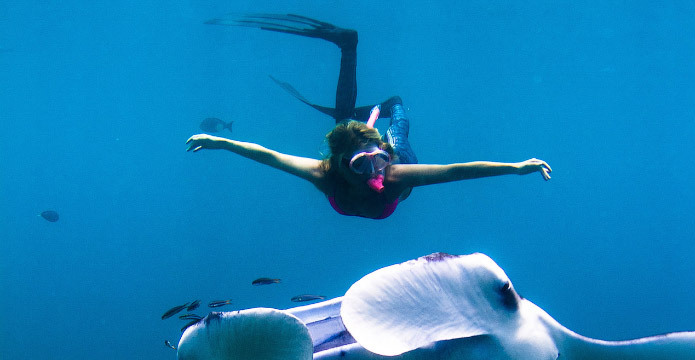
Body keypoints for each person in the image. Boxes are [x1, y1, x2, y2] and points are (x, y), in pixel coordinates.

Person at [186, 14, 551, 220]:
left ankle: (391, 103)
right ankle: (353, 55)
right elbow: (267, 156)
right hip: (361, 142)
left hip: (397, 148)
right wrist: (221, 142)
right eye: (363, 164)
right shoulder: (324, 174)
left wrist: (516, 167)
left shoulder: (394, 169)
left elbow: (459, 170)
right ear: (340, 164)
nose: (376, 170)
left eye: (376, 161)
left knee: (397, 133)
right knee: (344, 122)